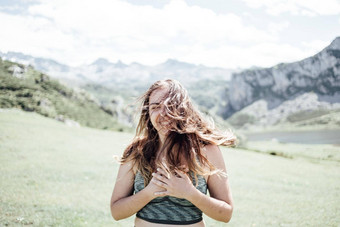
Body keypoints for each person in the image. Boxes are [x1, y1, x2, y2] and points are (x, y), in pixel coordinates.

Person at [110, 79, 236, 226]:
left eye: (170, 106)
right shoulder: (136, 151)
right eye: (155, 107)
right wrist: (149, 192)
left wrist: (190, 193)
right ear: (148, 113)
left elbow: (226, 214)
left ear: (183, 109)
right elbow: (116, 212)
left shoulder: (207, 151)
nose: (163, 113)